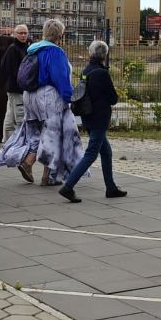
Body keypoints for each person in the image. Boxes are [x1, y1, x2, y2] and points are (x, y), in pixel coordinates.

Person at [0, 19, 82, 185]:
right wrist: (70, 97)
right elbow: (61, 78)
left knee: (35, 133)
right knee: (53, 135)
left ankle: (30, 164)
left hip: (30, 95)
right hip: (48, 97)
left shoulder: (33, 49)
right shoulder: (55, 52)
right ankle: (42, 172)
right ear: (60, 35)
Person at [59, 40, 128, 203]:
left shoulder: (86, 70)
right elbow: (113, 99)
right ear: (104, 55)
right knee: (91, 154)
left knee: (106, 152)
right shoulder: (102, 73)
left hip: (88, 116)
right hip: (99, 118)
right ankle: (68, 187)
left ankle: (110, 187)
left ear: (90, 53)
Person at [0, 24, 30, 138]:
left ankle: (7, 141)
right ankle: (17, 141)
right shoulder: (14, 48)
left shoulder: (25, 48)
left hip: (15, 88)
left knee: (10, 116)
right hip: (17, 88)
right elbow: (13, 70)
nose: (23, 35)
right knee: (19, 117)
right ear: (15, 34)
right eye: (20, 33)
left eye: (25, 33)